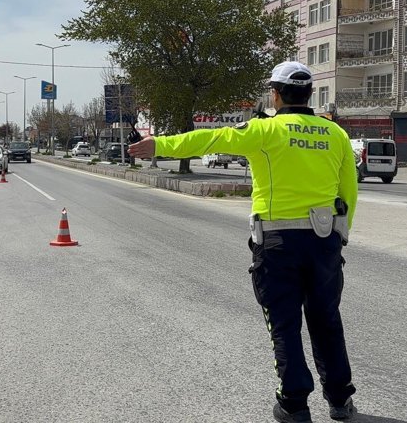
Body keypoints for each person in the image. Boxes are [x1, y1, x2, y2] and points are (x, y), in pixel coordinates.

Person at [128, 61, 358, 423]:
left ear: (276, 94)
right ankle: (340, 401)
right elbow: (349, 191)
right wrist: (340, 237)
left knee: (284, 324)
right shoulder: (336, 134)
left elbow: (212, 137)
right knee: (326, 320)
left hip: (279, 242)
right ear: (310, 93)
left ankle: (294, 403)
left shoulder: (266, 130)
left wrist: (160, 145)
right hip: (325, 240)